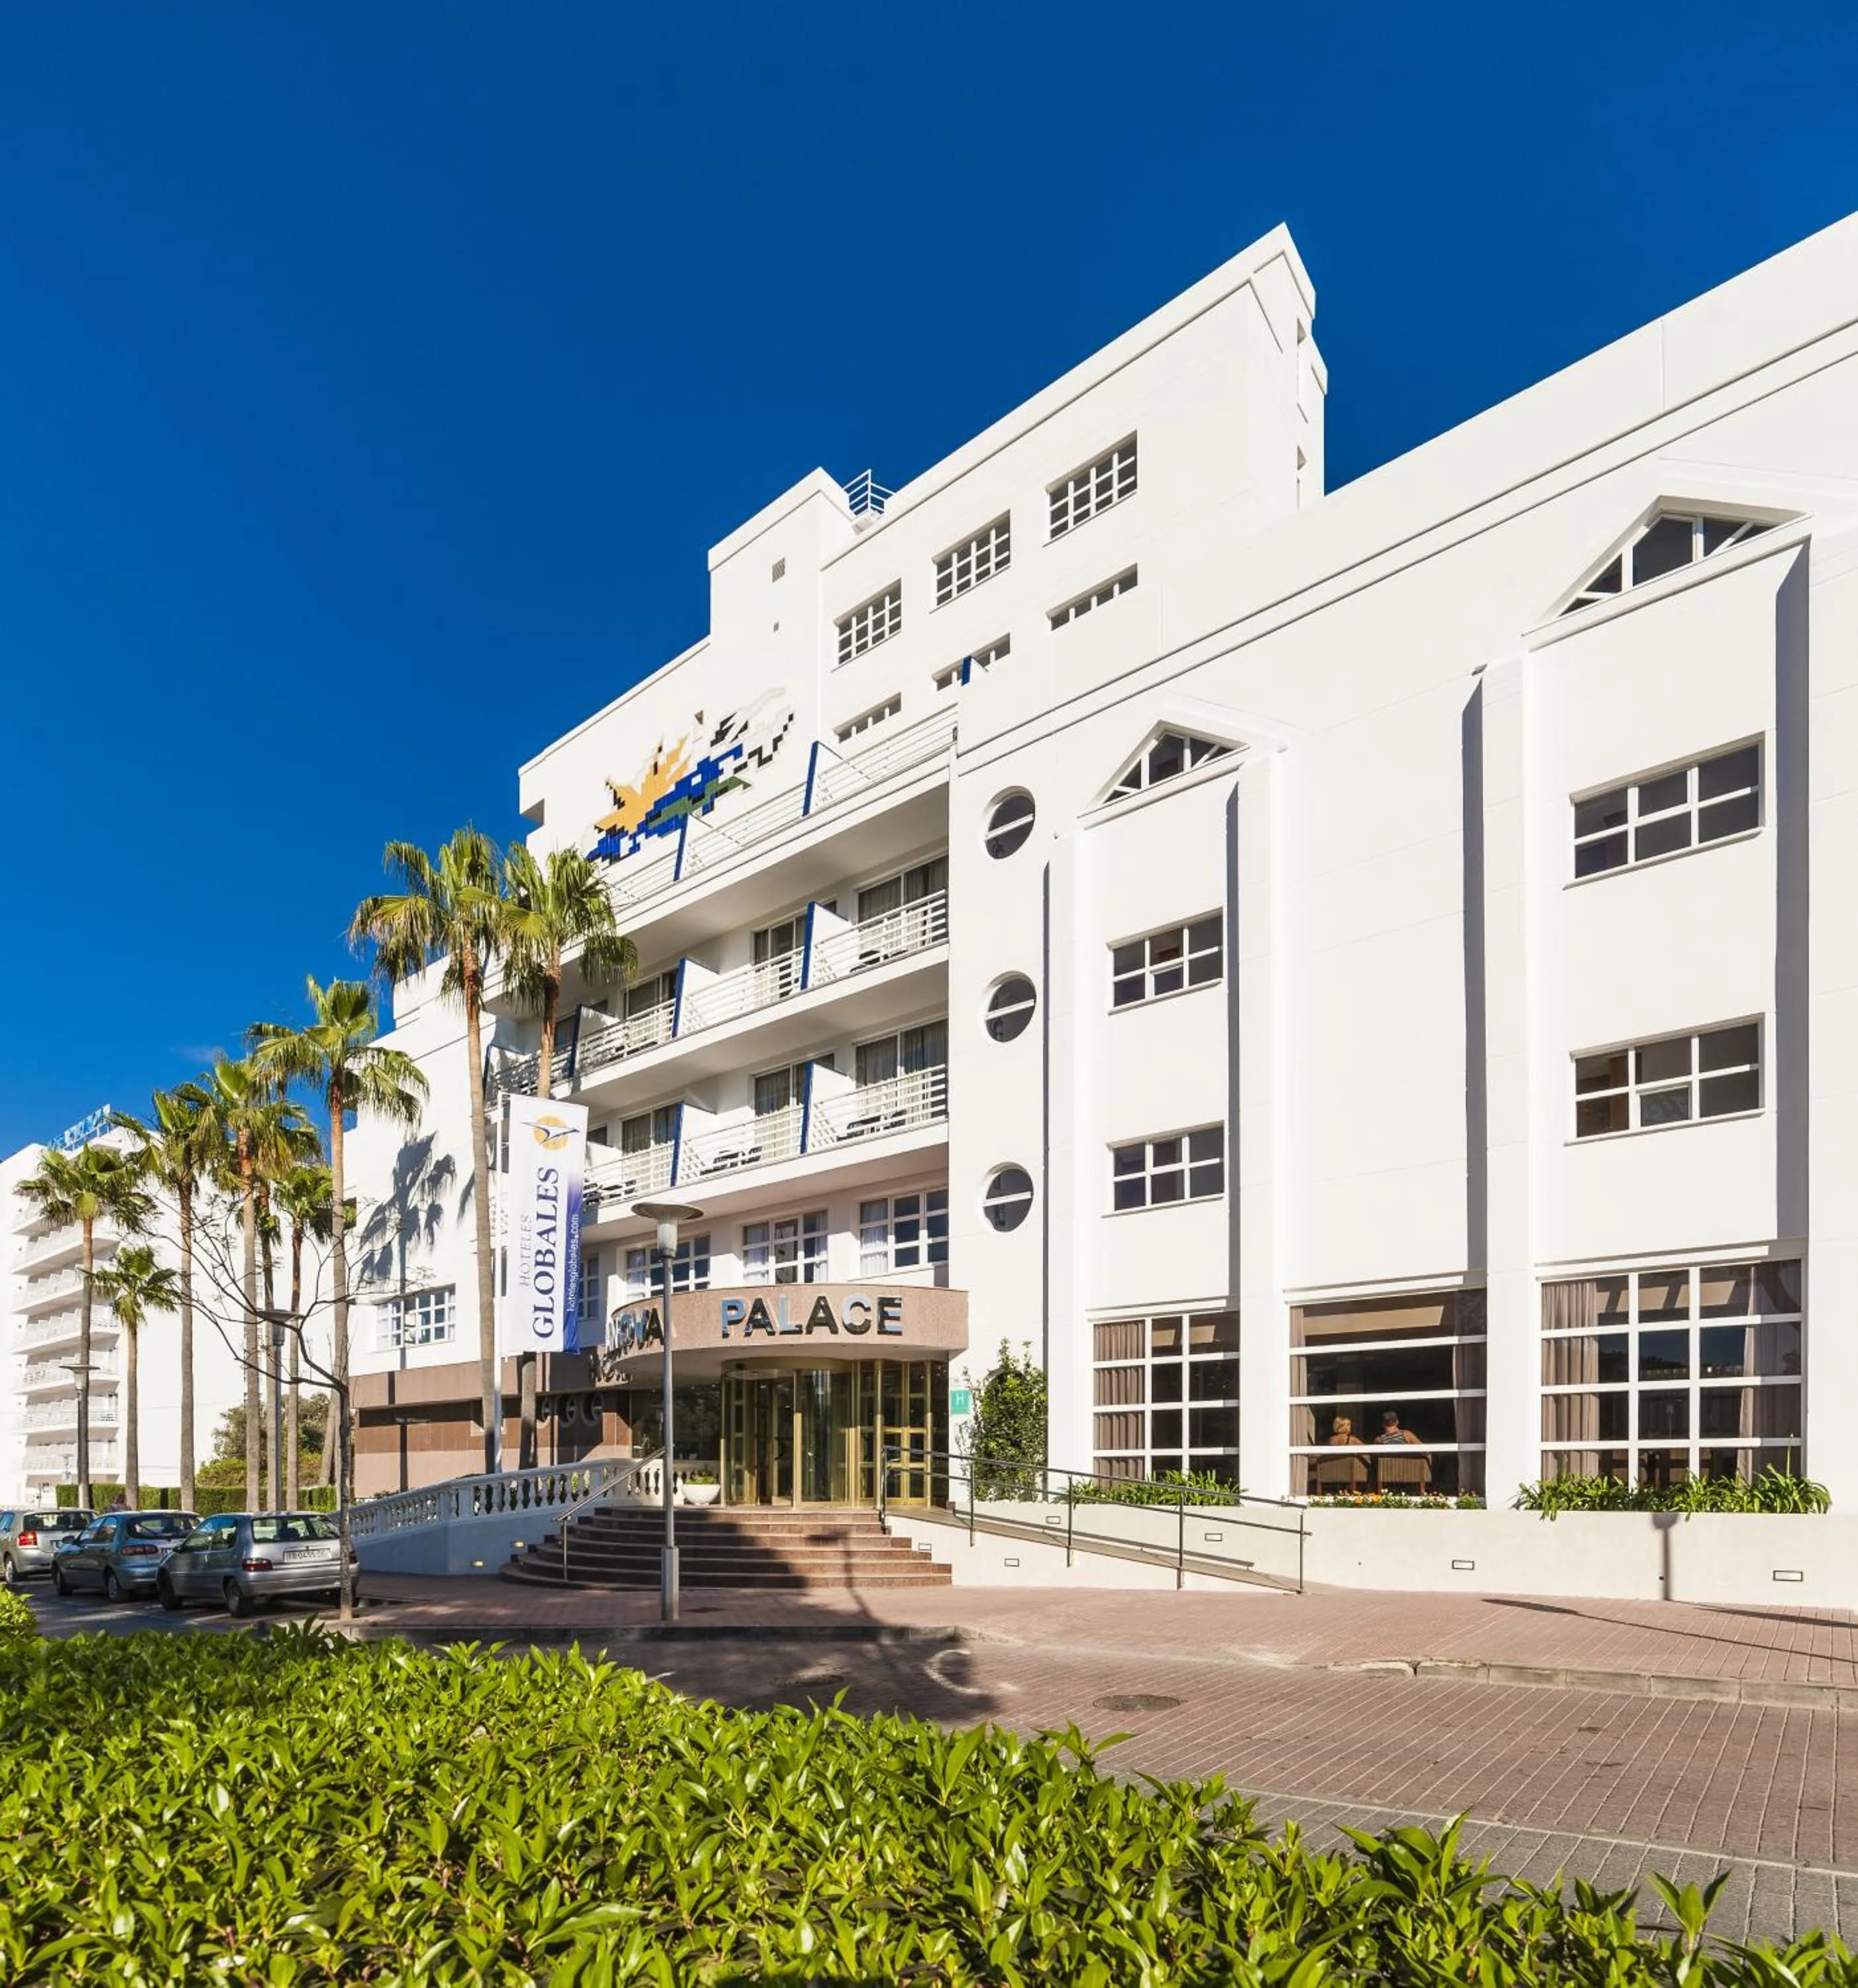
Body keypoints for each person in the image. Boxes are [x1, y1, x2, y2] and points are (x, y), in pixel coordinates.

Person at [1375, 1409, 1431, 1489]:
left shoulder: (1379, 1440)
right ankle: (1431, 1488)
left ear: (1383, 1424)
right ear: (1397, 1423)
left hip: (1388, 1474)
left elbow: (1374, 1458)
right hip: (1411, 1473)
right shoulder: (1406, 1435)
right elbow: (1424, 1450)